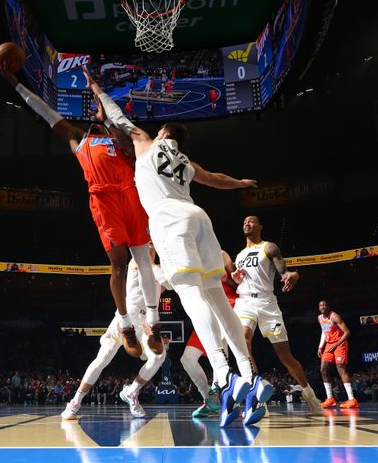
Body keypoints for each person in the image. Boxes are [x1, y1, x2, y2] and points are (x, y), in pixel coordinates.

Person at [89, 66, 272, 427]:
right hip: (199, 217)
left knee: (192, 299)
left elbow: (118, 117)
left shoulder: (147, 143)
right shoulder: (186, 161)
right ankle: (249, 375)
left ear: (162, 133)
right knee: (217, 299)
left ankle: (222, 375)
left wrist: (97, 90)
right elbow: (216, 179)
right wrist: (240, 183)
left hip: (169, 220)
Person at [0, 59, 161, 358]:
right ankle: (125, 324)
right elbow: (45, 112)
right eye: (93, 117)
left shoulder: (119, 138)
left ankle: (153, 323)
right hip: (104, 200)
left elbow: (121, 126)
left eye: (99, 116)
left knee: (145, 262)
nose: (94, 118)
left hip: (131, 195)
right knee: (119, 266)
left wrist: (101, 102)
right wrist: (13, 81)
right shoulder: (78, 140)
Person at [62, 248, 168, 420]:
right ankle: (76, 401)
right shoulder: (137, 262)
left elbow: (167, 284)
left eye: (152, 245)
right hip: (123, 321)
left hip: (144, 325)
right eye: (145, 243)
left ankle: (132, 392)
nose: (148, 247)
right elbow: (164, 278)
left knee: (159, 357)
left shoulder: (158, 271)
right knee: (102, 359)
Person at [232, 216, 321, 417]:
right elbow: (239, 279)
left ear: (260, 227)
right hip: (245, 302)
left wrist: (290, 274)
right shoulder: (239, 255)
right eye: (244, 221)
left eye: (252, 221)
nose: (247, 223)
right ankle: (256, 393)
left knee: (285, 356)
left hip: (267, 304)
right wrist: (235, 279)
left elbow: (281, 268)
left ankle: (308, 392)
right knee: (243, 339)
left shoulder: (268, 247)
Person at [180, 251, 237, 419]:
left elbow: (239, 284)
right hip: (205, 311)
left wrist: (227, 279)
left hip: (226, 306)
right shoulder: (188, 259)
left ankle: (227, 397)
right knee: (187, 359)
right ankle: (210, 400)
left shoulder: (221, 255)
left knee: (219, 355)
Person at [318, 300, 358, 408]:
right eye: (321, 305)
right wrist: (320, 346)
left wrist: (336, 345)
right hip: (329, 344)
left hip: (340, 344)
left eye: (325, 305)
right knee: (323, 370)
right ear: (319, 308)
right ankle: (330, 398)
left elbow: (347, 333)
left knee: (341, 369)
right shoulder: (320, 318)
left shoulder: (334, 316)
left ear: (328, 307)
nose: (323, 307)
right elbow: (324, 332)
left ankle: (352, 399)